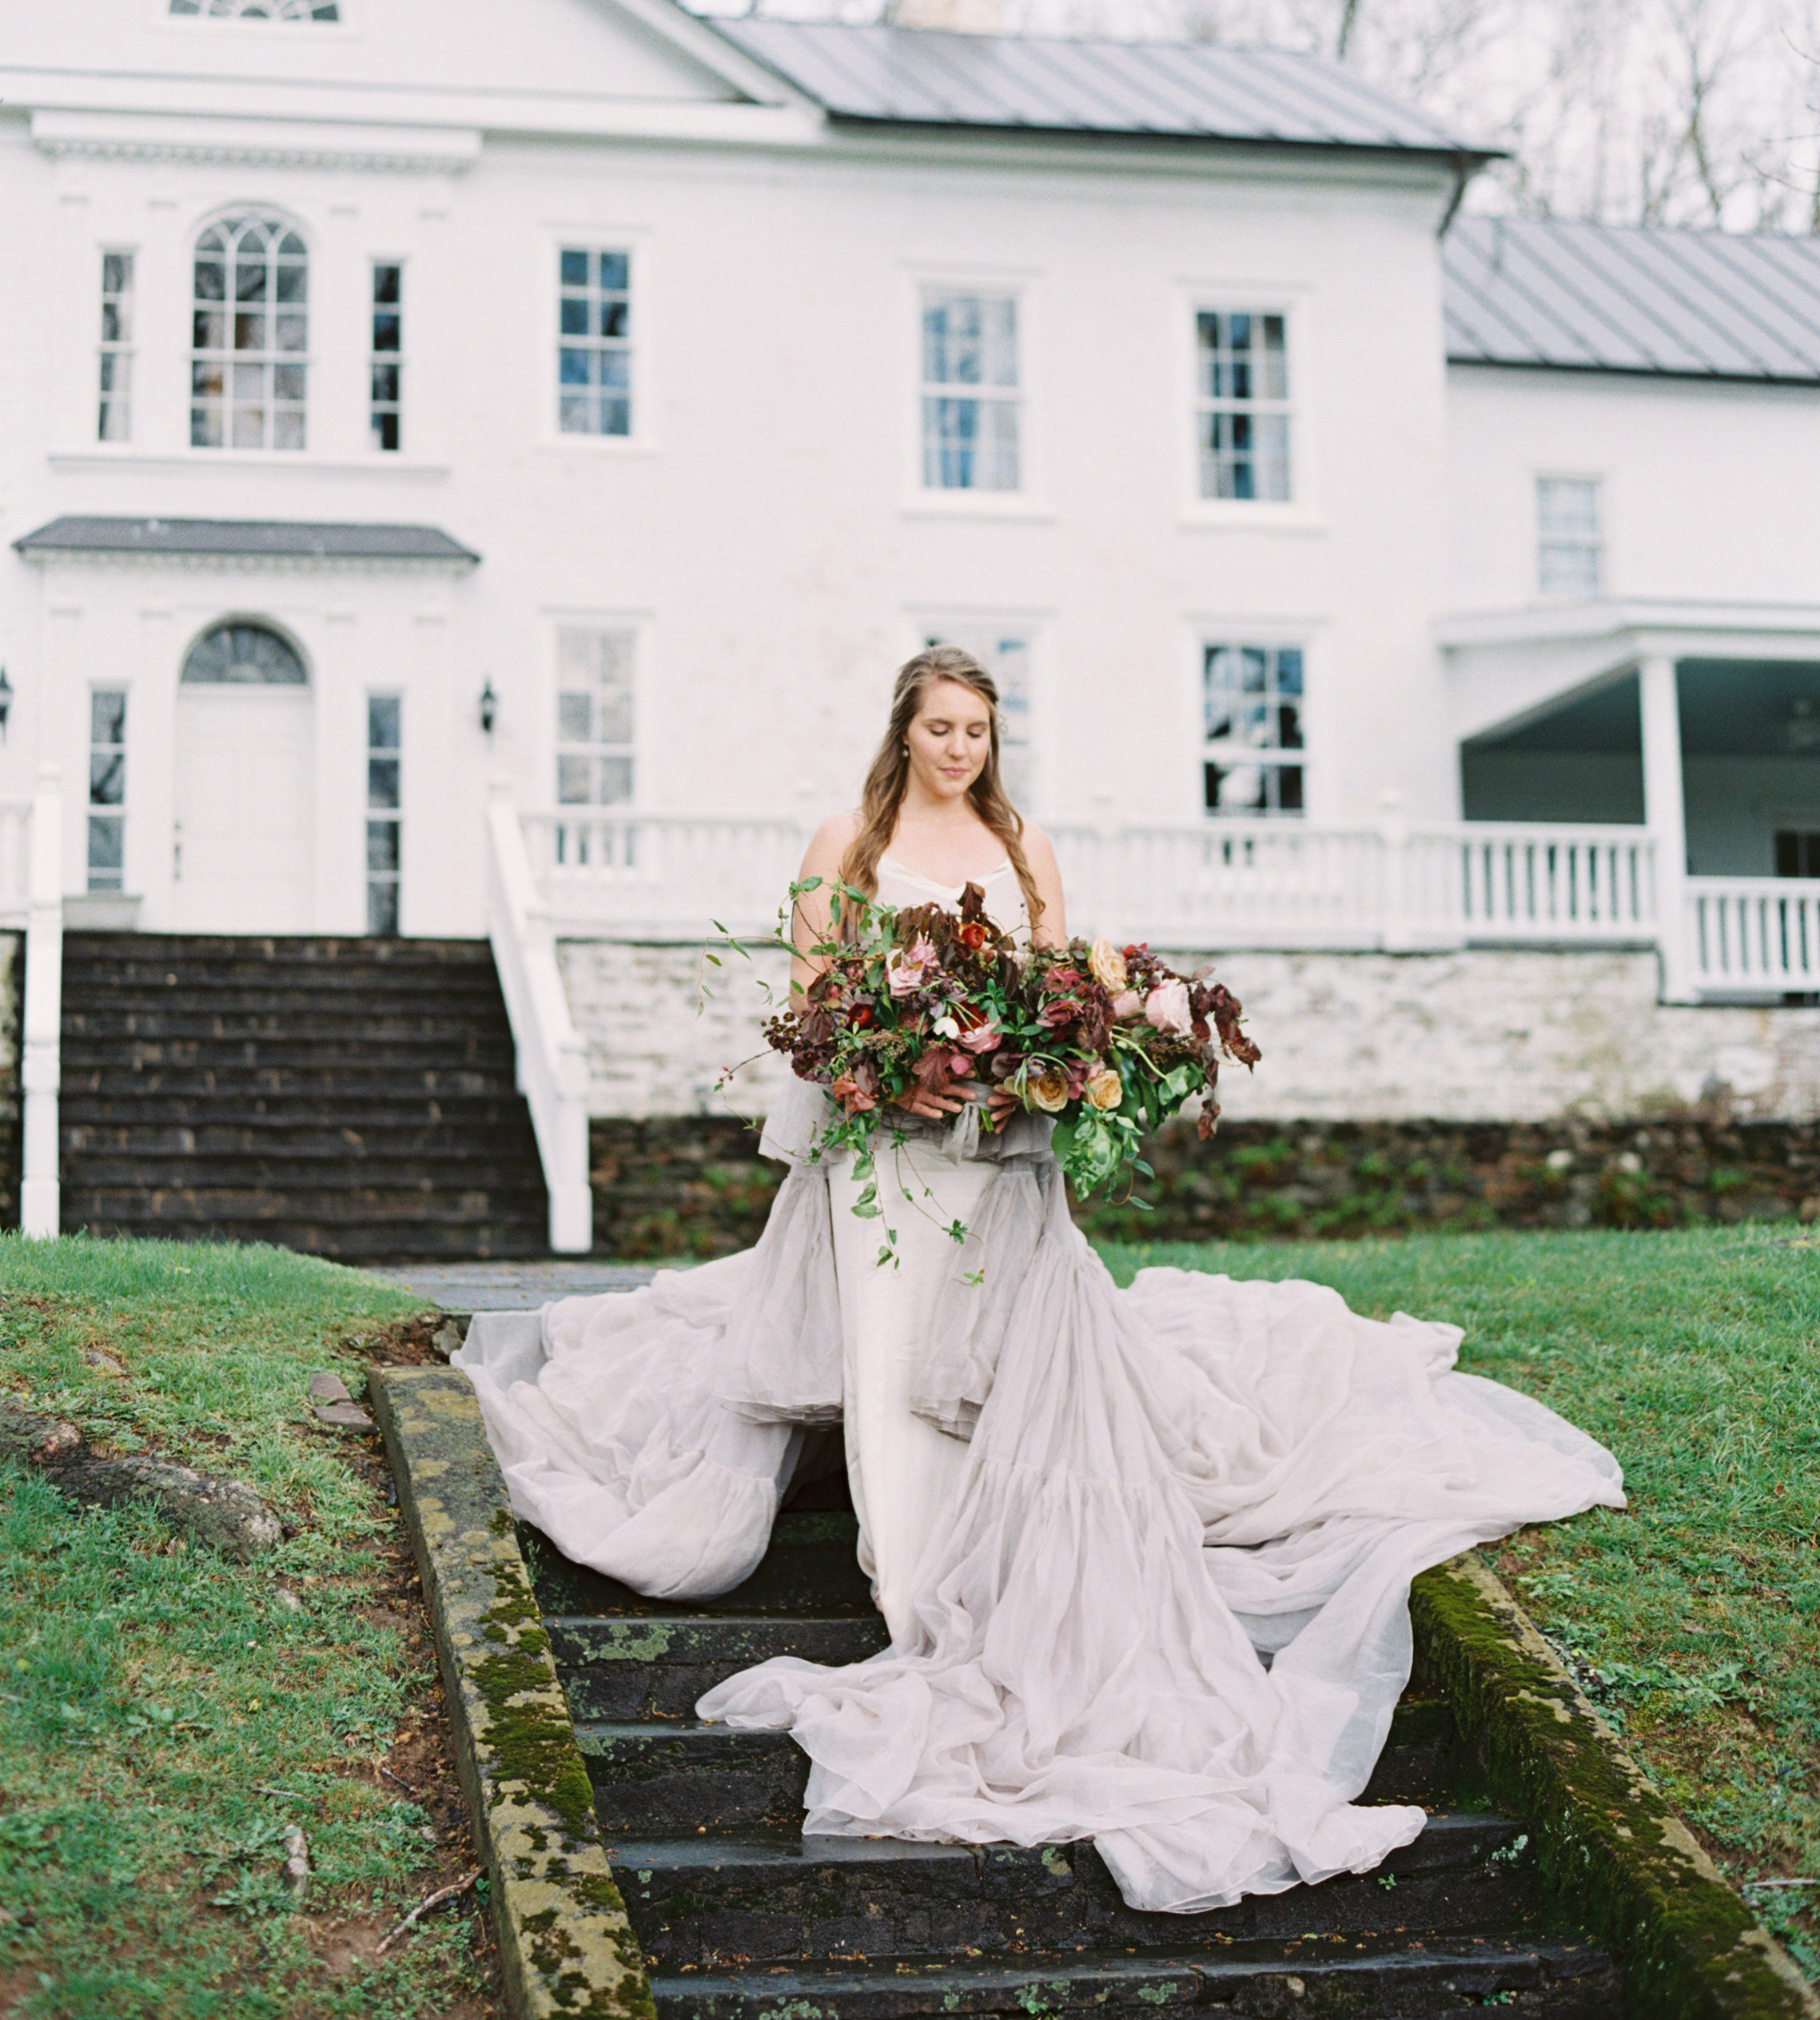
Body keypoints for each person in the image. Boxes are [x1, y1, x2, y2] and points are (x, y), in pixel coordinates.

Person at [456, 646, 1624, 1916]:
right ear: (904, 729)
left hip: (998, 1156)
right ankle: (910, 1572)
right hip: (888, 1159)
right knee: (896, 1365)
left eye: (977, 730)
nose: (959, 748)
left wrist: (1040, 1067)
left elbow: (1062, 1000)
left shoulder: (1023, 850)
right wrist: (890, 1068)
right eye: (940, 726)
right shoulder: (845, 839)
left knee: (1001, 1360)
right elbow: (807, 1003)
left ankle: (997, 1559)